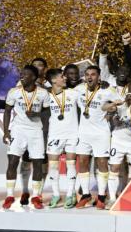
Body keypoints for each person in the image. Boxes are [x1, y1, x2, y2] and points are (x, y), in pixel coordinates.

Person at [2, 65, 50, 209]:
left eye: (26, 75)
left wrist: (37, 115)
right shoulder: (14, 92)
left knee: (37, 163)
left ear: (34, 78)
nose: (22, 77)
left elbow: (48, 113)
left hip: (36, 132)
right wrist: (6, 131)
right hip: (18, 130)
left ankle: (35, 196)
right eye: (21, 74)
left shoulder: (43, 93)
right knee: (12, 161)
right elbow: (7, 111)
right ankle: (9, 196)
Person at [75, 66, 122, 209]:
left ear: (99, 77)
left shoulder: (108, 90)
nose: (89, 77)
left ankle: (101, 195)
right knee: (82, 162)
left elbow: (121, 102)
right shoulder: (78, 89)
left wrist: (111, 111)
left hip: (101, 133)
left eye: (93, 75)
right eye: (87, 74)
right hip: (83, 133)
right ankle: (86, 194)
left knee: (101, 162)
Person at [45, 68, 79, 209]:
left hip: (72, 134)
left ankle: (71, 194)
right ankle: (56, 194)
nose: (65, 78)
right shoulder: (45, 96)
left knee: (71, 164)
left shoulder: (73, 93)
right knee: (53, 165)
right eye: (61, 76)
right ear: (53, 80)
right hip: (54, 134)